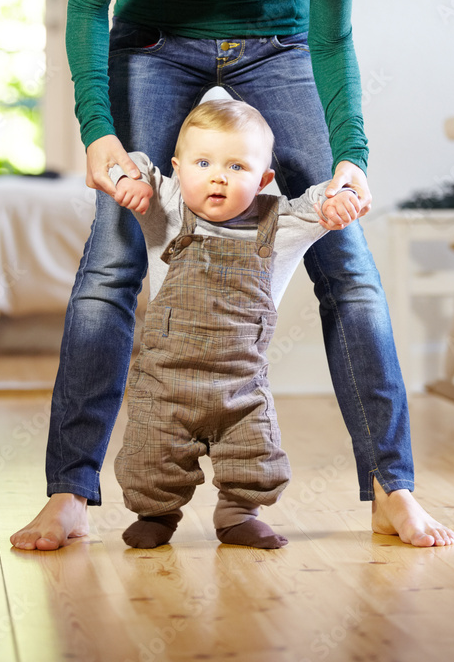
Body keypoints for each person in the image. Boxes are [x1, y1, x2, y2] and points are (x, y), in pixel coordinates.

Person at [11, 0, 454, 552]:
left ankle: (389, 486)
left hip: (277, 46)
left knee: (344, 258)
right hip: (154, 40)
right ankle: (70, 491)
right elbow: (84, 7)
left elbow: (330, 38)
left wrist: (352, 155)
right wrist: (100, 133)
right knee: (113, 256)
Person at [111, 99, 360, 550]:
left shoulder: (279, 222)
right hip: (166, 384)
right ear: (179, 167)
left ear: (264, 180)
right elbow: (131, 165)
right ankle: (157, 513)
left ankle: (239, 513)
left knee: (254, 454)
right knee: (152, 453)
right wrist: (126, 180)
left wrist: (341, 199)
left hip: (241, 387)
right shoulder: (164, 208)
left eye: (237, 166)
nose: (217, 176)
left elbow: (320, 199)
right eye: (202, 162)